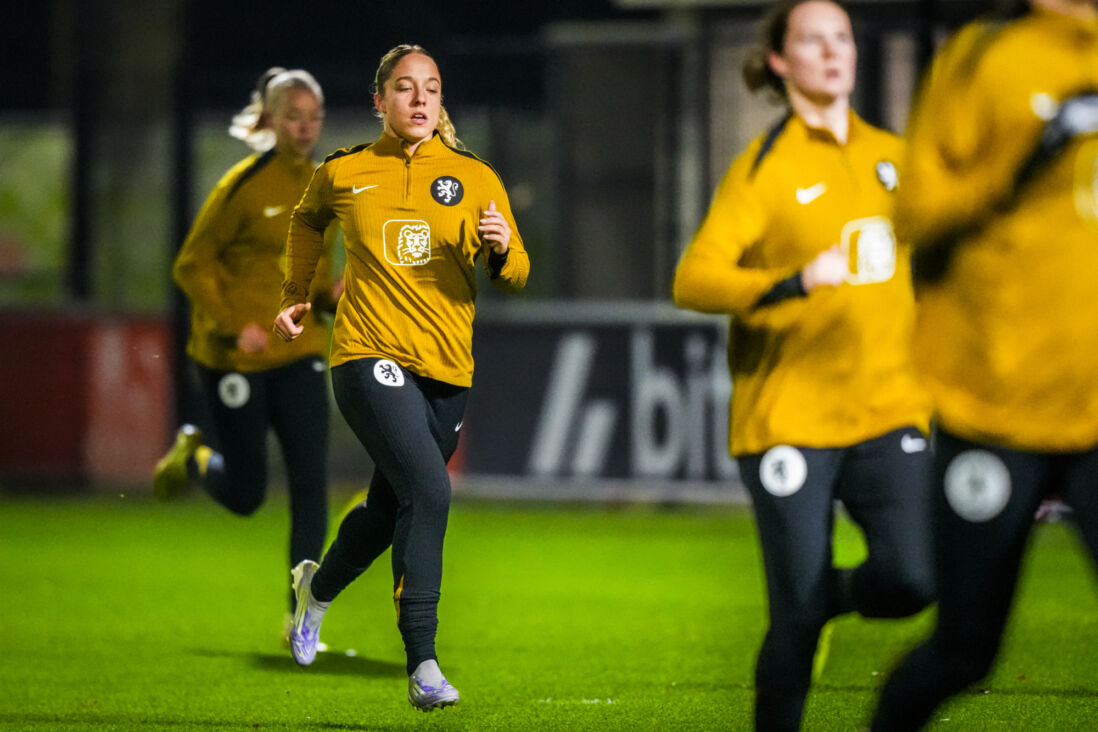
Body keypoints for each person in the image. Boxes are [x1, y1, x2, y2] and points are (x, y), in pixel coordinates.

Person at [671, 2, 935, 729]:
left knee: (914, 579)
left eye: (842, 36)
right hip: (788, 417)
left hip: (889, 409)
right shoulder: (764, 170)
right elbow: (694, 279)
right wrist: (787, 282)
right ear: (781, 63)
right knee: (794, 616)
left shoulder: (894, 155)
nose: (833, 50)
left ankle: (828, 596)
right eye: (813, 39)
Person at [274, 44, 529, 712]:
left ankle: (315, 591)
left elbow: (519, 272)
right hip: (366, 354)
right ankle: (423, 663)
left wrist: (502, 250)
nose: (420, 99)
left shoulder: (475, 177)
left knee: (391, 509)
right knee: (431, 491)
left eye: (432, 89)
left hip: (446, 367)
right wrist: (296, 291)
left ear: (442, 102)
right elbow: (305, 220)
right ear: (379, 100)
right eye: (406, 88)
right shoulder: (346, 171)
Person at [870, 1, 1098, 728]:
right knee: (966, 651)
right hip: (994, 406)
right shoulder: (983, 58)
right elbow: (917, 212)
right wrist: (1026, 155)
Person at [154, 67, 342, 643]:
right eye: (294, 116)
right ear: (269, 120)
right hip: (232, 357)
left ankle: (300, 621)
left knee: (312, 486)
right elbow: (190, 265)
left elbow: (311, 283)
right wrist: (237, 327)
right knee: (246, 496)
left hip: (300, 350)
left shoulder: (324, 188)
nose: (306, 128)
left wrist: (333, 300)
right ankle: (194, 457)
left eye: (314, 117)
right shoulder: (240, 185)